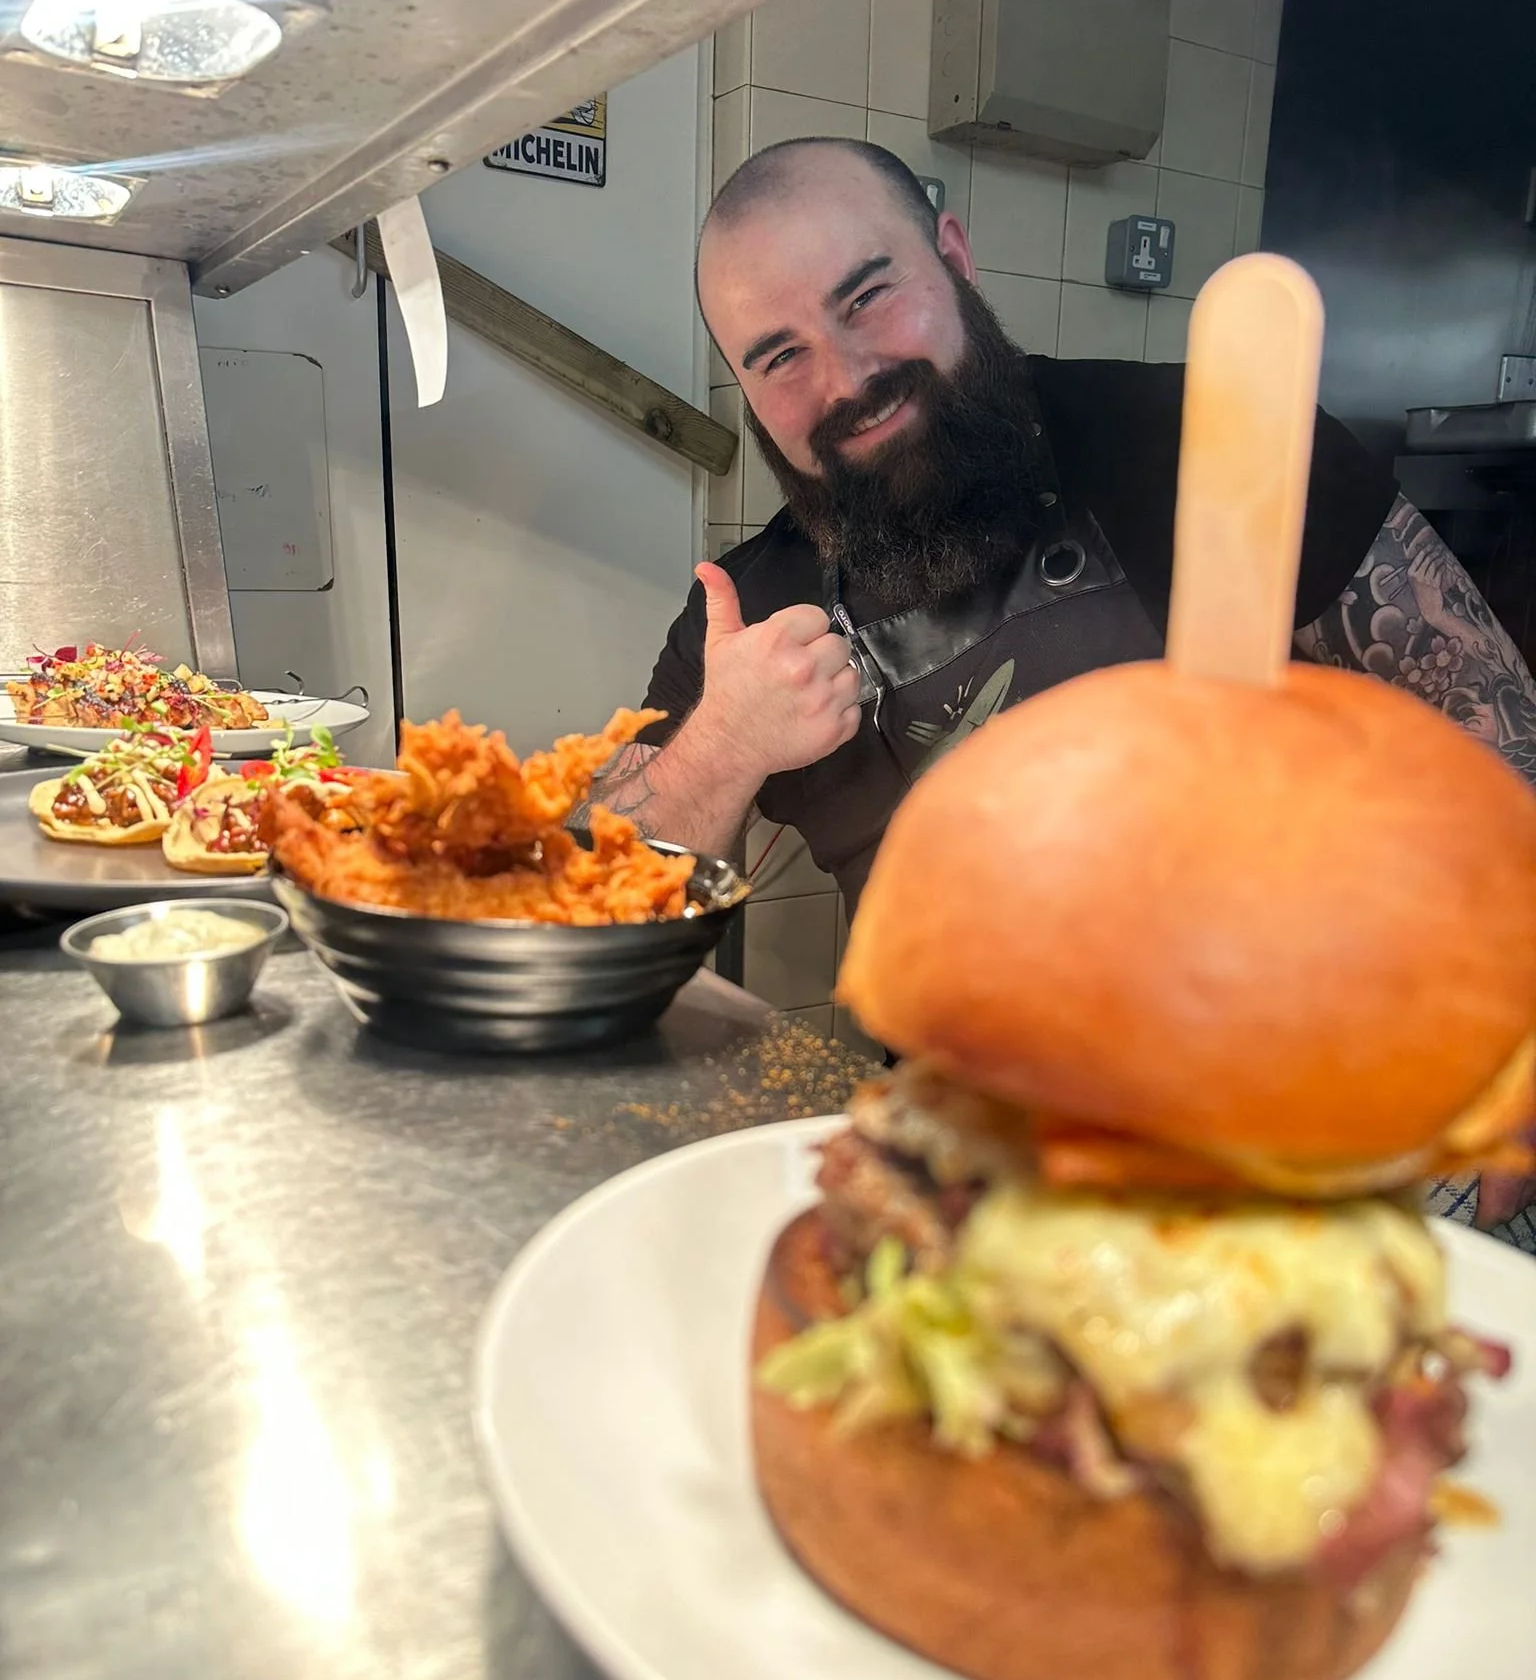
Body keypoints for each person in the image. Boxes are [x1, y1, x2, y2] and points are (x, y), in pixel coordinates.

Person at [588, 136, 1536, 1219]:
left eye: (868, 297)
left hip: (1330, 1118)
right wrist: (729, 740)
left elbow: (1489, 711)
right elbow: (600, 924)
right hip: (980, 1164)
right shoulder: (746, 615)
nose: (845, 379)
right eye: (779, 356)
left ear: (953, 256)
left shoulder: (1211, 443)